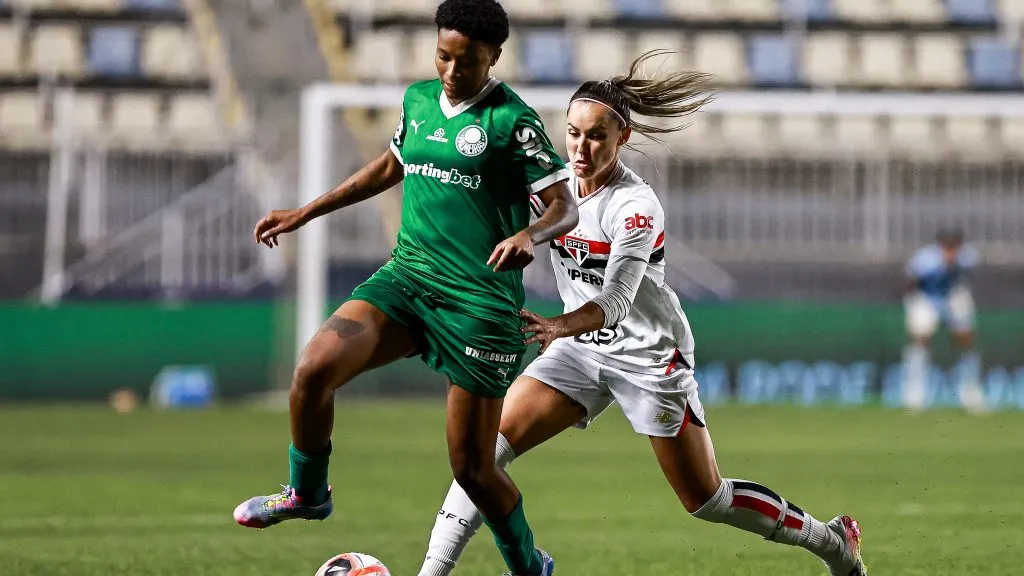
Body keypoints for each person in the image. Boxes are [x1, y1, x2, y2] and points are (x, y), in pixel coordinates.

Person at [415, 51, 867, 576]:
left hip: (649, 356)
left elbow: (616, 303)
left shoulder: (635, 206)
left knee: (706, 498)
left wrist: (557, 325)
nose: (581, 149)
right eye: (574, 134)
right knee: (481, 459)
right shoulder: (552, 188)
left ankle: (832, 542)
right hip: (577, 353)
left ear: (621, 137)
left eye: (596, 137)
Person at [233, 2, 578, 576]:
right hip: (408, 280)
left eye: (465, 61)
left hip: (479, 304)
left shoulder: (512, 121)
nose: (449, 70)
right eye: (442, 55)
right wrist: (305, 211)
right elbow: (391, 166)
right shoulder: (418, 101)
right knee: (314, 369)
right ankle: (307, 494)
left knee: (472, 469)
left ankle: (527, 565)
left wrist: (529, 233)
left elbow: (563, 206)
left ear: (494, 57)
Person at [902, 229, 982, 411]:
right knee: (921, 339)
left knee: (965, 339)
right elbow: (910, 280)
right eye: (947, 247)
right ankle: (914, 394)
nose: (951, 251)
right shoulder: (925, 258)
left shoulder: (967, 256)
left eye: (954, 247)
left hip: (953, 295)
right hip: (927, 296)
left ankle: (970, 391)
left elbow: (969, 275)